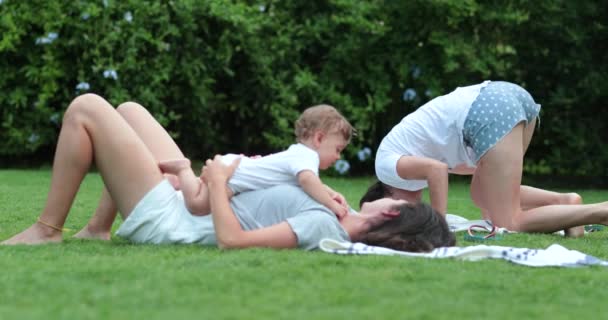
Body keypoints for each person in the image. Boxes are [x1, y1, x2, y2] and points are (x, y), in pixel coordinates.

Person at [1, 94, 456, 252]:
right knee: (129, 111)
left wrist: (216, 182)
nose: (396, 194)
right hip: (188, 200)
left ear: (393, 214)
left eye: (401, 200)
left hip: (173, 221)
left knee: (86, 109)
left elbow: (231, 241)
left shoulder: (323, 228)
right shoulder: (330, 211)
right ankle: (99, 228)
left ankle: (47, 230)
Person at [364, 80, 608, 236]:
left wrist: (437, 225)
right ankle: (566, 202)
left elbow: (437, 170)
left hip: (487, 110)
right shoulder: (407, 160)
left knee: (509, 222)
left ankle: (600, 211)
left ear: (390, 196)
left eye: (405, 209)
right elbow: (458, 167)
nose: (414, 207)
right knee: (482, 196)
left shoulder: (385, 167)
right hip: (504, 96)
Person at [158, 104, 353, 219]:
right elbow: (307, 182)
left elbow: (309, 183)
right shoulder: (306, 157)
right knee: (197, 207)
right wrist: (331, 204)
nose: (338, 157)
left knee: (202, 195)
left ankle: (178, 183)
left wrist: (332, 192)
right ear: (319, 139)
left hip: (236, 170)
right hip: (233, 175)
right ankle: (183, 170)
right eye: (337, 149)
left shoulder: (299, 155)